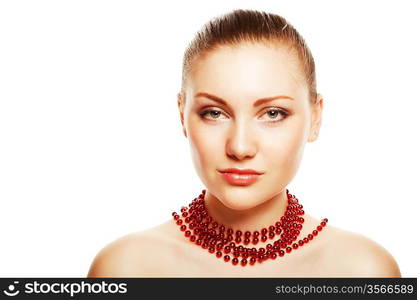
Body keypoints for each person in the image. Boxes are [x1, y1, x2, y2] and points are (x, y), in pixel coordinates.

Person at [87, 9, 401, 277]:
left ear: (315, 118)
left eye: (273, 113)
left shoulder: (363, 270)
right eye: (214, 113)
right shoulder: (126, 268)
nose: (240, 147)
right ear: (183, 115)